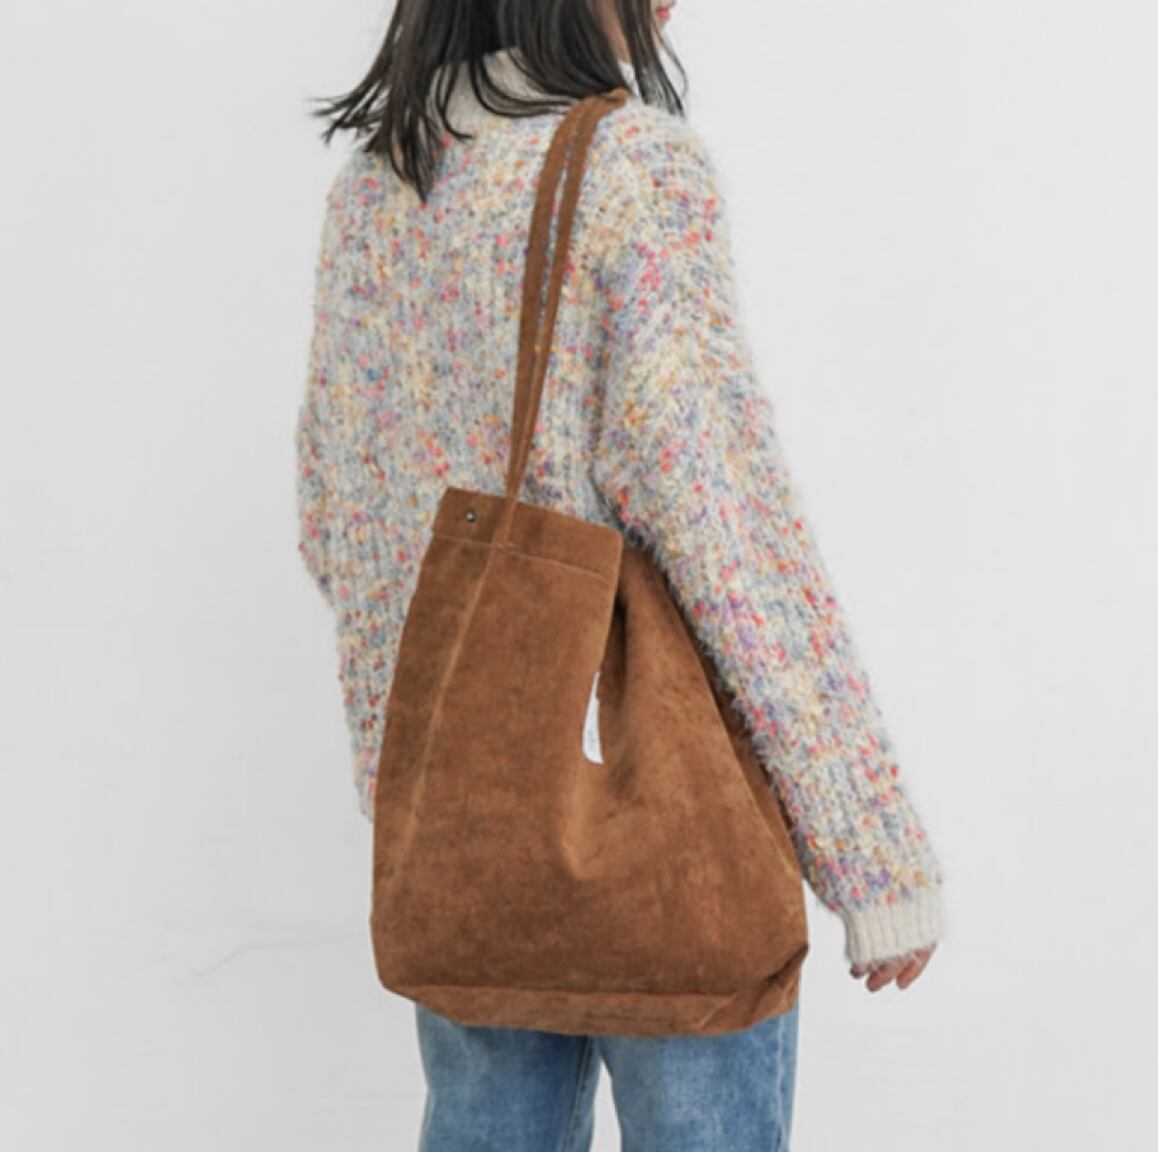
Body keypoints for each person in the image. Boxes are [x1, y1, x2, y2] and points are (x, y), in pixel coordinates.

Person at [295, 2, 945, 1148]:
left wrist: (432, 792)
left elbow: (335, 518)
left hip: (465, 835)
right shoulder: (630, 168)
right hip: (660, 824)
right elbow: (725, 515)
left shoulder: (375, 191)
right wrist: (868, 846)